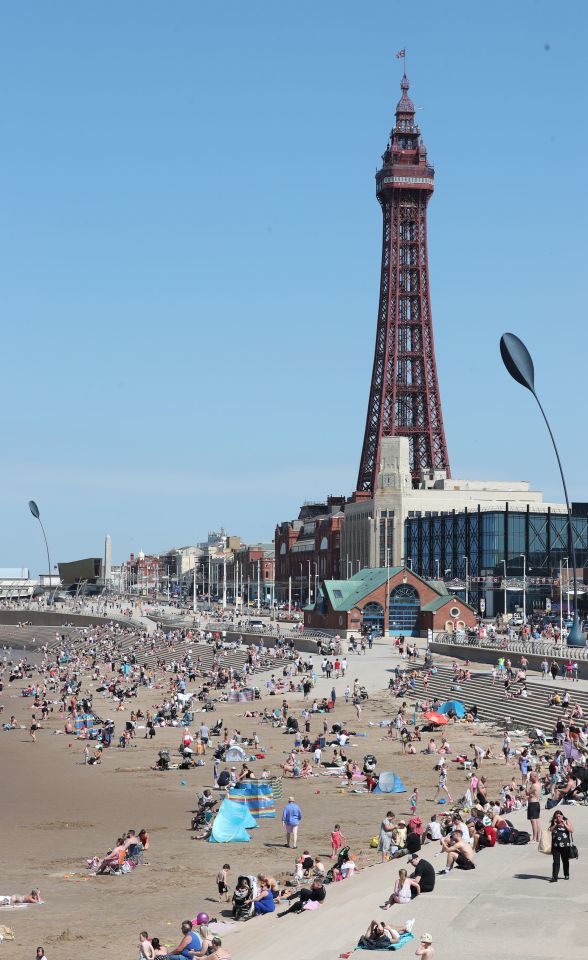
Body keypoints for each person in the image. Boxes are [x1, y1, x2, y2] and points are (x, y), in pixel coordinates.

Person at [549, 810, 574, 882]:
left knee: (565, 861)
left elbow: (572, 830)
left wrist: (564, 824)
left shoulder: (566, 821)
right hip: (555, 846)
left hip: (565, 846)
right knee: (556, 862)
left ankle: (566, 874)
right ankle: (554, 877)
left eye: (559, 816)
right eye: (556, 817)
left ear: (562, 816)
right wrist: (555, 825)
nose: (558, 818)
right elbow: (550, 830)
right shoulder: (554, 823)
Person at [526, 773, 542, 842]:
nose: (529, 777)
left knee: (533, 821)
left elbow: (527, 793)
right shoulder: (539, 784)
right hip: (537, 803)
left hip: (533, 804)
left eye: (530, 776)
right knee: (537, 821)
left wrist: (527, 785)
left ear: (534, 777)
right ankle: (538, 837)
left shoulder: (534, 785)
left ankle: (534, 838)